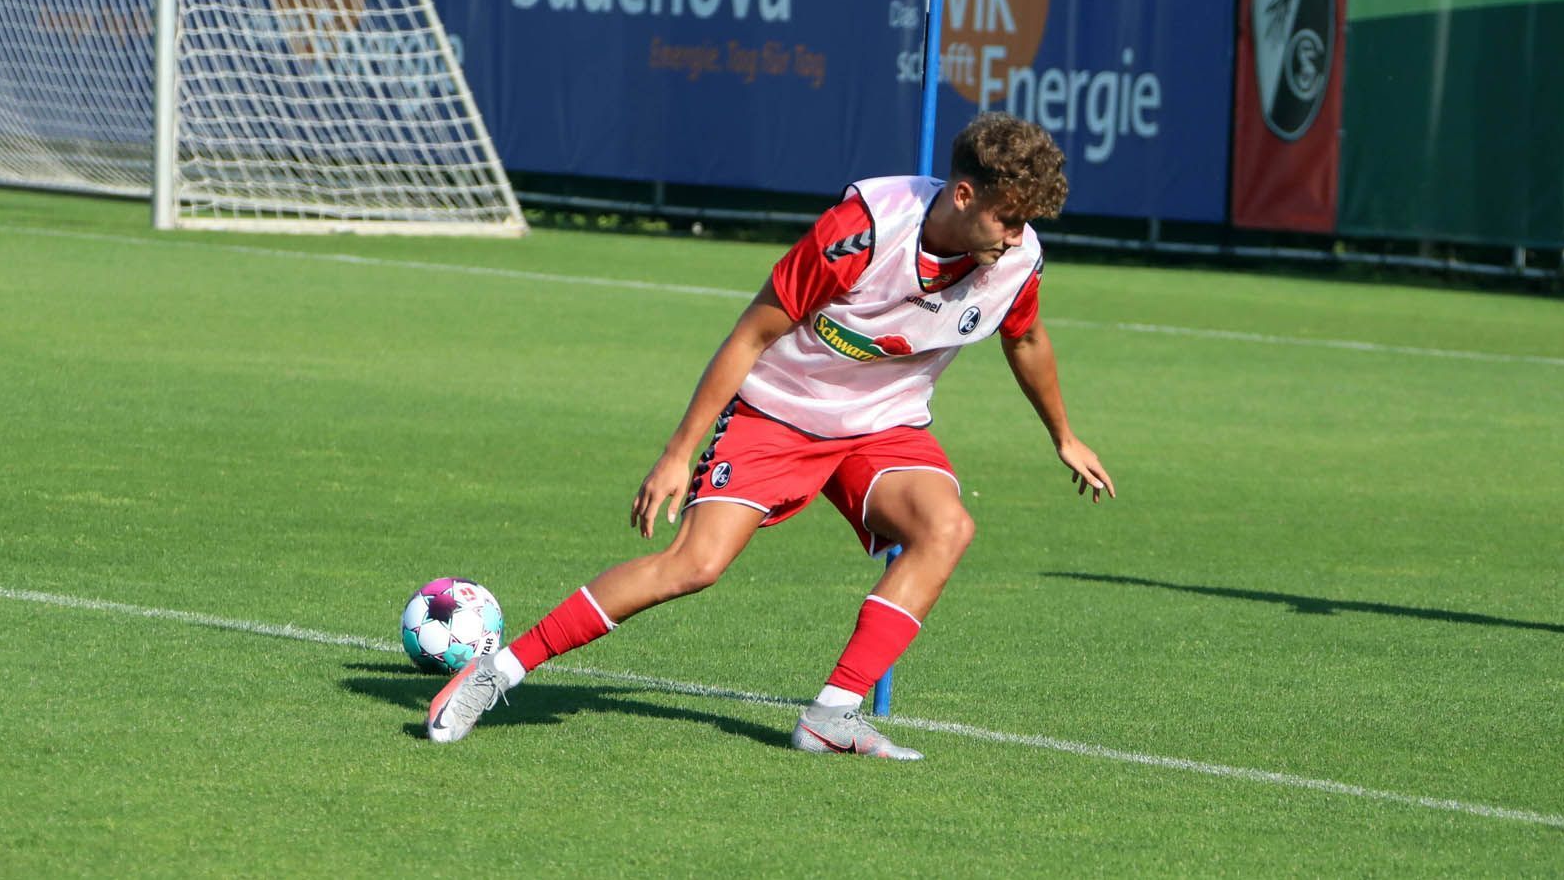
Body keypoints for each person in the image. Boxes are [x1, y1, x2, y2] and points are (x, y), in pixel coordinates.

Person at [426, 111, 1115, 759]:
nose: (1017, 235)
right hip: (777, 412)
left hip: (883, 425)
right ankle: (499, 670)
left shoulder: (1017, 260)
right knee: (695, 565)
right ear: (964, 194)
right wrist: (677, 453)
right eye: (1008, 217)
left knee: (947, 528)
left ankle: (832, 716)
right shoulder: (864, 231)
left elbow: (1025, 339)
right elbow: (754, 332)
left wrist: (1065, 436)